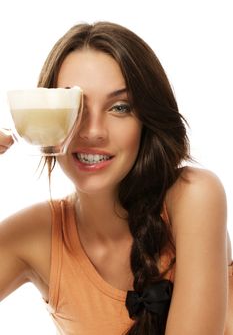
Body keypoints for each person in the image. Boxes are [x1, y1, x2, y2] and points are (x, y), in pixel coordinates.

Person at [0, 21, 232, 335]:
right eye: (75, 107)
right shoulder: (33, 235)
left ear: (146, 121)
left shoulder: (194, 197)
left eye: (120, 107)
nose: (93, 131)